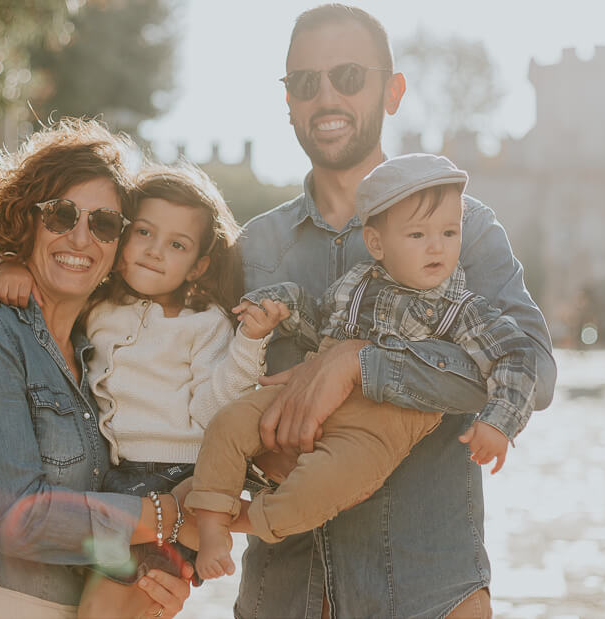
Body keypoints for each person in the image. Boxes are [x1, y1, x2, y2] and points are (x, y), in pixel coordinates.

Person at [235, 4, 556, 618]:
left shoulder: (467, 229)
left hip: (429, 595)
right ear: (289, 101)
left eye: (348, 76)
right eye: (305, 82)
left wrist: (363, 365)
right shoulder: (254, 247)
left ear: (393, 90)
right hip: (284, 598)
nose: (326, 96)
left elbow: (534, 370)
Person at [186, 153, 538, 580]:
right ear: (376, 243)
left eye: (449, 231)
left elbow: (516, 355)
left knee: (318, 488)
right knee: (228, 423)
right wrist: (279, 304)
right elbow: (317, 319)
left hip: (377, 427)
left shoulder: (461, 308)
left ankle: (243, 519)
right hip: (309, 389)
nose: (437, 246)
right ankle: (208, 526)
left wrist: (498, 422)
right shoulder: (357, 282)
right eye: (417, 234)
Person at [0, 118, 196, 619]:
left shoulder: (102, 354)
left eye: (104, 223)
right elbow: (19, 522)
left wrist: (149, 583)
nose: (82, 238)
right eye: (62, 215)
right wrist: (165, 517)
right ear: (26, 219)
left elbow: (90, 533)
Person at [0, 163, 268, 604]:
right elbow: (35, 307)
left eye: (177, 244)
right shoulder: (97, 305)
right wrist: (8, 268)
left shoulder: (203, 323)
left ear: (198, 266)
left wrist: (247, 344)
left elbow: (217, 410)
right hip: (115, 482)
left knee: (104, 606)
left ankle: (211, 530)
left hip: (174, 478)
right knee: (84, 593)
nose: (155, 251)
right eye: (144, 233)